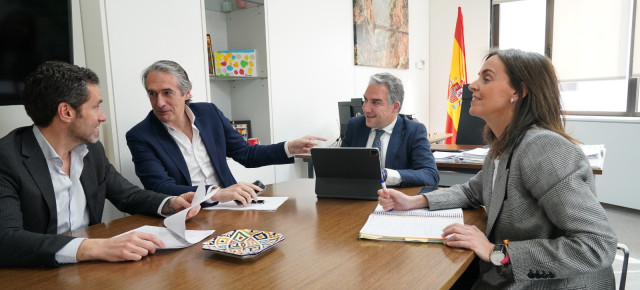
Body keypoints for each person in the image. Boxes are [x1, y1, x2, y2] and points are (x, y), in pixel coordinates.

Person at [377, 49, 617, 289]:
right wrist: (414, 202)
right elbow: (473, 191)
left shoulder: (544, 148)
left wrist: (496, 251)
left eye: (486, 78)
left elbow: (597, 245)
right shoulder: (502, 145)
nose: (472, 85)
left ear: (519, 91)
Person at [0, 61, 201, 268]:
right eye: (96, 106)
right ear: (66, 112)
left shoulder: (91, 150)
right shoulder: (7, 158)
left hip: (89, 269)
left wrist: (170, 204)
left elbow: (128, 196)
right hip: (36, 272)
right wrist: (94, 247)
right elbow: (6, 239)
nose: (102, 116)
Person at [126, 60, 325, 205]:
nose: (159, 102)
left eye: (167, 93)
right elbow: (160, 188)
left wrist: (289, 147)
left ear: (186, 93)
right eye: (152, 94)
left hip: (233, 205)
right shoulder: (141, 136)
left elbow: (246, 154)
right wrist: (214, 193)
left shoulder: (209, 114)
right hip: (189, 214)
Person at [341, 73, 439, 187]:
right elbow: (340, 166)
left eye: (376, 102)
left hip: (394, 200)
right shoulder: (355, 125)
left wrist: (388, 175)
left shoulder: (413, 131)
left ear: (395, 106)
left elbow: (430, 175)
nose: (365, 108)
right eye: (365, 100)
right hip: (357, 198)